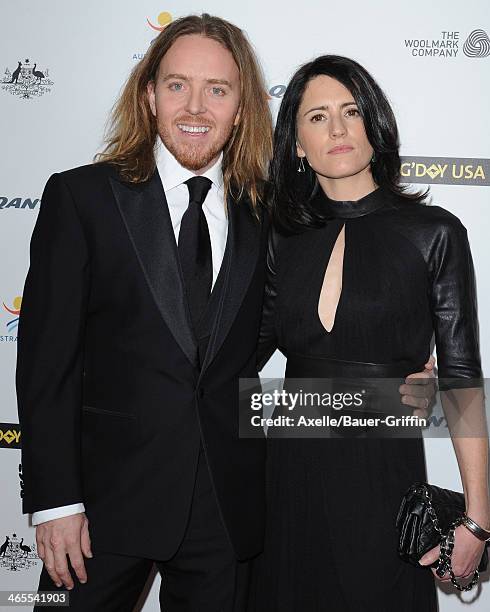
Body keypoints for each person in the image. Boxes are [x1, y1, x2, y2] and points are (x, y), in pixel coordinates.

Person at [16, 15, 435, 610]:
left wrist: (394, 389)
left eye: (218, 89)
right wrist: (56, 502)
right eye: (177, 84)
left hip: (227, 515)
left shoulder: (270, 217)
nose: (196, 106)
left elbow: (286, 344)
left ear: (242, 108)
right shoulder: (81, 198)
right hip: (98, 512)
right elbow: (45, 365)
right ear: (149, 95)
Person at [251, 55, 490, 611]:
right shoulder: (278, 236)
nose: (337, 129)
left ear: (374, 127)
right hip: (287, 477)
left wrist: (477, 517)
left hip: (382, 473)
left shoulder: (435, 233)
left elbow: (460, 382)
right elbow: (235, 355)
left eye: (351, 111)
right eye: (317, 117)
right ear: (296, 144)